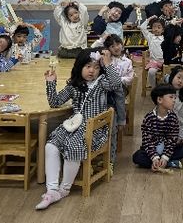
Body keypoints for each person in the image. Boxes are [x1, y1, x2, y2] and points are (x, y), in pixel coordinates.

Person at [36, 49, 125, 210]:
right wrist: (51, 82)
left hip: (95, 130)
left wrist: (107, 64)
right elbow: (55, 102)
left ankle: (64, 189)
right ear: (79, 67)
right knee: (51, 145)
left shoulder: (102, 83)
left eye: (96, 67)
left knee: (73, 147)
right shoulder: (74, 85)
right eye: (88, 66)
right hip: (74, 125)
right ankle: (52, 189)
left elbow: (116, 84)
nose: (92, 71)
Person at [132, 84, 183, 171]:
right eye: (171, 97)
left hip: (168, 149)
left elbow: (172, 139)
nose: (174, 100)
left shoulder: (173, 117)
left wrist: (165, 157)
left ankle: (163, 162)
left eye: (175, 97)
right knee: (137, 157)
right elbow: (147, 141)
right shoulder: (149, 118)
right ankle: (166, 163)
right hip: (152, 150)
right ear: (159, 100)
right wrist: (154, 157)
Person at [140, 16, 165, 88]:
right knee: (151, 72)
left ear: (163, 30)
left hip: (165, 62)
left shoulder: (165, 38)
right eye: (154, 27)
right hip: (154, 62)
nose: (156, 29)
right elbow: (142, 27)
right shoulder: (150, 37)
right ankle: (154, 88)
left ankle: (164, 88)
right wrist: (149, 19)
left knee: (169, 73)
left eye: (159, 27)